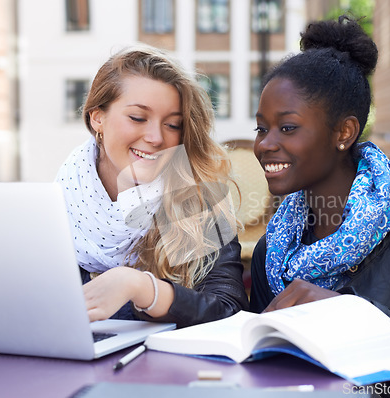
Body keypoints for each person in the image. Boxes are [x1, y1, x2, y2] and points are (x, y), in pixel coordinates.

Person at [249, 16, 390, 394]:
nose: (264, 144)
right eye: (261, 128)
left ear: (344, 132)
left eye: (287, 127)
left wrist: (350, 318)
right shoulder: (271, 253)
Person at [56, 44, 248, 328]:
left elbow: (230, 310)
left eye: (172, 125)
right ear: (97, 117)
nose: (156, 138)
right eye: (137, 118)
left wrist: (142, 288)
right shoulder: (61, 199)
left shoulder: (199, 198)